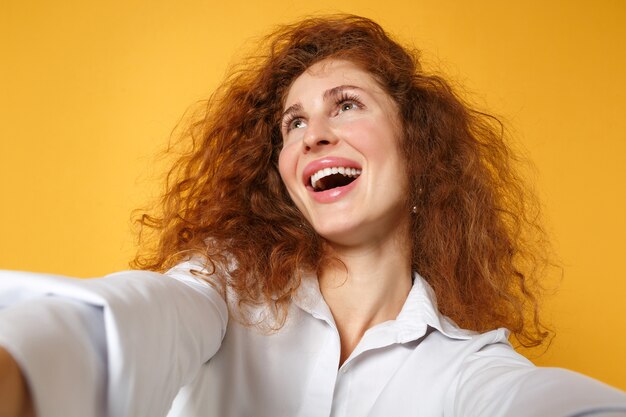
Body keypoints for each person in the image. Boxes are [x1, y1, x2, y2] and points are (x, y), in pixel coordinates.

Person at [1, 14, 625, 417]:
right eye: (293, 123)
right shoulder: (225, 292)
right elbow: (138, 320)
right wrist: (21, 364)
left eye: (345, 105)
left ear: (419, 150)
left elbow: (535, 402)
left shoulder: (466, 366)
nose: (312, 135)